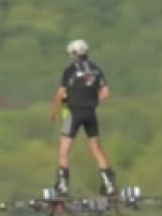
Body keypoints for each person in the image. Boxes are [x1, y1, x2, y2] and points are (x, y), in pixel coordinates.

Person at [49, 39, 116, 197]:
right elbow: (106, 93)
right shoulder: (96, 70)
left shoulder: (70, 70)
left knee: (64, 148)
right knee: (96, 148)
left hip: (75, 113)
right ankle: (109, 184)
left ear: (74, 54)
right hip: (90, 113)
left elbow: (60, 94)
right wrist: (92, 102)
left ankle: (63, 185)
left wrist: (54, 111)